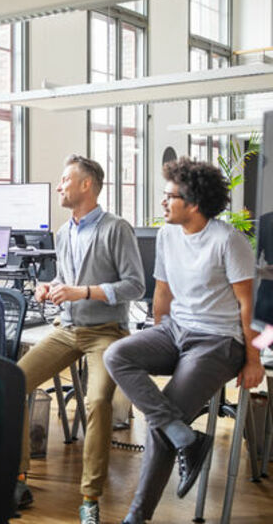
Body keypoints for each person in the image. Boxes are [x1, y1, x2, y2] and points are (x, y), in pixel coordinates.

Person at [104, 157, 265, 524]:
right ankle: (185, 437)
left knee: (163, 422)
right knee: (117, 355)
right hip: (176, 330)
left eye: (169, 196)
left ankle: (137, 516)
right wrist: (160, 333)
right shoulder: (167, 235)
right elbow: (163, 290)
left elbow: (247, 304)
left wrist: (253, 360)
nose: (162, 203)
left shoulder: (228, 241)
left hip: (218, 341)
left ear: (193, 203)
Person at [16, 155, 145, 524]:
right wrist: (51, 288)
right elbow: (65, 280)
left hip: (105, 332)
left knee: (99, 401)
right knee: (12, 382)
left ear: (86, 184)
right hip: (67, 329)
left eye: (64, 180)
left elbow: (135, 286)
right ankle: (18, 477)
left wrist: (82, 292)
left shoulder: (116, 228)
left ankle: (90, 496)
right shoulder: (63, 231)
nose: (59, 186)